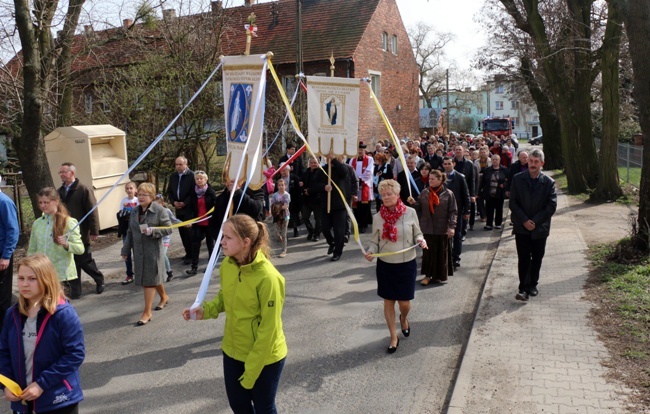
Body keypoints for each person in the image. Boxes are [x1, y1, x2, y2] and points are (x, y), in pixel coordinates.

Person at [182, 214, 287, 413]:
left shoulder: (269, 278)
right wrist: (205, 311)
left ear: (245, 242)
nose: (221, 242)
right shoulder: (228, 266)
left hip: (265, 358)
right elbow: (225, 297)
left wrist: (251, 373)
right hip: (232, 351)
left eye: (228, 237)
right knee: (239, 406)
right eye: (222, 236)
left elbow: (269, 330)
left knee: (264, 408)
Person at [0, 254, 85, 414]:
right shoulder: (12, 314)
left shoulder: (63, 314)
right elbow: (3, 352)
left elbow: (75, 354)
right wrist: (6, 384)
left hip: (58, 400)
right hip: (23, 401)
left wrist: (41, 384)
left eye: (32, 279)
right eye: (21, 278)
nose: (25, 284)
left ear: (46, 280)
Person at [364, 180, 427, 354]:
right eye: (383, 195)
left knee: (405, 303)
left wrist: (421, 240)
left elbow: (418, 234)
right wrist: (370, 252)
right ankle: (393, 336)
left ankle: (404, 318)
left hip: (406, 264)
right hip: (386, 265)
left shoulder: (410, 212)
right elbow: (374, 242)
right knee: (388, 301)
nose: (386, 197)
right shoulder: (377, 217)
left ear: (397, 195)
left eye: (389, 194)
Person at [509, 149, 557, 301]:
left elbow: (551, 206)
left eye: (536, 162)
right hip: (521, 227)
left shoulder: (548, 183)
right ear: (527, 161)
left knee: (537, 258)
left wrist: (535, 221)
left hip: (540, 228)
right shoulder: (517, 179)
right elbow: (513, 203)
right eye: (531, 161)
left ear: (542, 163)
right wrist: (524, 220)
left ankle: (533, 285)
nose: (533, 164)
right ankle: (523, 288)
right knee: (523, 258)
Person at [121, 183, 172, 326]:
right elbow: (130, 232)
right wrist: (125, 250)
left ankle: (147, 312)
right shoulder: (135, 211)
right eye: (140, 194)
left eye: (145, 195)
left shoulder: (160, 210)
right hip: (138, 252)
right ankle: (164, 296)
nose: (141, 197)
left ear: (152, 196)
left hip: (153, 252)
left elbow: (168, 229)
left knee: (149, 281)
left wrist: (153, 231)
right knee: (153, 278)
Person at [57, 162, 105, 297]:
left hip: (81, 232)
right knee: (72, 262)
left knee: (85, 260)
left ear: (72, 173)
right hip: (66, 232)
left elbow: (92, 211)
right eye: (60, 172)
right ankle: (76, 290)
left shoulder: (83, 189)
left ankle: (99, 279)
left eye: (63, 172)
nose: (61, 175)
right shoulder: (60, 191)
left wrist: (94, 231)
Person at [28, 188, 84, 291]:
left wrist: (67, 244)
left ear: (56, 202)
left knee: (59, 306)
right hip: (43, 274)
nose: (43, 205)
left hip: (61, 276)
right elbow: (32, 249)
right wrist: (29, 267)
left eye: (46, 202)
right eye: (40, 202)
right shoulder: (37, 223)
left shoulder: (68, 222)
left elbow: (80, 249)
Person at [410, 170, 457, 285]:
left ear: (440, 180)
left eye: (432, 179)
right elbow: (419, 207)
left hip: (442, 227)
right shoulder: (425, 192)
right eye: (429, 179)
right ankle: (427, 275)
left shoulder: (448, 194)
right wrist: (413, 203)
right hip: (427, 227)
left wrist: (452, 226)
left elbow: (453, 211)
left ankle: (438, 276)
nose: (429, 181)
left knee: (441, 252)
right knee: (428, 252)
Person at [312, 153, 349, 261]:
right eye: (327, 158)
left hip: (339, 205)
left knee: (339, 231)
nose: (328, 159)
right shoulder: (322, 170)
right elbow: (314, 185)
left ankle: (337, 252)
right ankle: (331, 242)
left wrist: (334, 160)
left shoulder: (341, 169)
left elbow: (344, 172)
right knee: (325, 228)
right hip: (325, 204)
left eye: (331, 158)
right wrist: (324, 186)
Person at [185, 171, 217, 276]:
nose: (199, 180)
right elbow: (189, 207)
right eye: (197, 179)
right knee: (195, 244)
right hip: (197, 223)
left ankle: (210, 265)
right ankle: (194, 267)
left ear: (206, 180)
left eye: (201, 178)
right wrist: (189, 220)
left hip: (209, 222)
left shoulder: (210, 192)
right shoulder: (193, 193)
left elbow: (216, 207)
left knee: (210, 245)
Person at [166, 156, 195, 264]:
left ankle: (192, 254)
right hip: (178, 208)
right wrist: (173, 202)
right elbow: (169, 191)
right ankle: (187, 252)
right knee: (182, 232)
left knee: (189, 232)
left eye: (180, 164)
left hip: (189, 208)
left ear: (186, 164)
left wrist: (185, 203)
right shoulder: (173, 176)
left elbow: (193, 192)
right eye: (176, 164)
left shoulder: (191, 175)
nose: (178, 166)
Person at [442, 157, 470, 269]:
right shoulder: (441, 177)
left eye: (449, 163)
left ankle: (456, 257)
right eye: (445, 164)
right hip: (443, 212)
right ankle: (446, 256)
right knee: (445, 235)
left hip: (457, 210)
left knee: (457, 234)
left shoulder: (460, 177)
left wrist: (467, 210)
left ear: (453, 164)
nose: (447, 165)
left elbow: (465, 195)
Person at [0, 179, 19, 331]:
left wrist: (6, 255)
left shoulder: (4, 202)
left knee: (3, 295)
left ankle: (5, 328)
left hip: (2, 255)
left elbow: (13, 230)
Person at [154, 195, 182, 282]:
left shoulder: (166, 211)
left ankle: (169, 272)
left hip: (165, 238)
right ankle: (157, 273)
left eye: (157, 205)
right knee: (155, 256)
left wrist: (184, 223)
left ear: (162, 204)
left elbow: (174, 220)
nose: (155, 208)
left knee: (162, 254)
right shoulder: (150, 213)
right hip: (155, 238)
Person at [479, 154, 509, 230]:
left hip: (499, 193)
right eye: (493, 159)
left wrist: (504, 184)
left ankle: (498, 223)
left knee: (499, 209)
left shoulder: (504, 170)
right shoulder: (487, 170)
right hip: (489, 193)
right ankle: (489, 224)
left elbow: (508, 180)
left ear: (499, 160)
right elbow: (483, 182)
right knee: (489, 209)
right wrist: (480, 191)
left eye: (496, 159)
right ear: (491, 161)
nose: (495, 161)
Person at [349, 141, 375, 233]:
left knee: (364, 206)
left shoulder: (370, 159)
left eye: (361, 149)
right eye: (358, 149)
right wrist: (354, 181)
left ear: (364, 150)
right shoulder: (352, 160)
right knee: (356, 207)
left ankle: (363, 225)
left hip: (365, 185)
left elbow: (369, 171)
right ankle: (358, 223)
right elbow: (350, 171)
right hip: (355, 186)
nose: (359, 151)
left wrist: (360, 180)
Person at [117, 181, 138, 285]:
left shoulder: (137, 200)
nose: (129, 190)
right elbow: (121, 214)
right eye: (127, 188)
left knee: (138, 252)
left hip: (136, 231)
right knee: (127, 253)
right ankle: (129, 274)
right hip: (126, 231)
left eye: (131, 188)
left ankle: (139, 273)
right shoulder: (123, 201)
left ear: (135, 190)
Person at [277, 164, 302, 238]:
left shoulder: (294, 177)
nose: (283, 172)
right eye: (281, 170)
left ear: (289, 170)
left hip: (293, 199)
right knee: (283, 217)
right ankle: (284, 233)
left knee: (293, 215)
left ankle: (295, 229)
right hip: (281, 201)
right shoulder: (278, 179)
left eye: (284, 170)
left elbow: (298, 189)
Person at [300, 157, 322, 241]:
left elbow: (320, 186)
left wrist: (309, 191)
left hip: (317, 199)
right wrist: (304, 189)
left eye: (315, 163)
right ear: (309, 163)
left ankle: (317, 234)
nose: (313, 164)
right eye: (311, 162)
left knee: (318, 219)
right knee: (305, 217)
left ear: (318, 164)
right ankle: (311, 231)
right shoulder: (305, 172)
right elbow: (301, 183)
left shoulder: (321, 173)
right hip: (307, 200)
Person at [270, 178, 291, 258]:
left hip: (285, 216)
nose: (281, 186)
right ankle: (282, 241)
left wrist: (278, 206)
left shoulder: (287, 195)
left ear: (285, 186)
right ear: (277, 186)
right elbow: (272, 205)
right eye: (279, 185)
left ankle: (283, 250)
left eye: (282, 185)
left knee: (284, 233)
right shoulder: (275, 195)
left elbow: (285, 206)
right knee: (276, 233)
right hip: (277, 216)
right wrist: (277, 207)